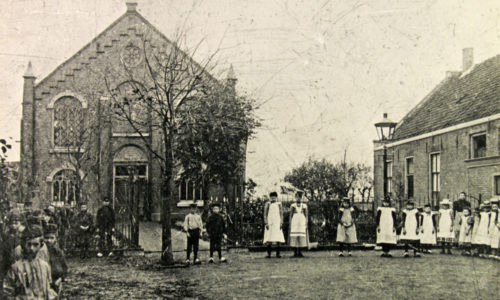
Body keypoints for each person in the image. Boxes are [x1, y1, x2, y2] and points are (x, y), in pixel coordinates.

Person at [3, 225, 57, 299]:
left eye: (35, 245)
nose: (32, 248)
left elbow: (48, 289)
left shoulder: (45, 266)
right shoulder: (16, 268)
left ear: (40, 245)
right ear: (23, 244)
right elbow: (7, 292)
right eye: (29, 244)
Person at [44, 223, 68, 296]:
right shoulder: (41, 252)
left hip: (56, 281)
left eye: (51, 238)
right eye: (46, 238)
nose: (49, 240)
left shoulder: (58, 252)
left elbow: (64, 268)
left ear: (55, 239)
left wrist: (60, 279)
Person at [263, 192, 285, 258]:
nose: (273, 199)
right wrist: (266, 222)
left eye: (274, 197)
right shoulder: (268, 204)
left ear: (276, 197)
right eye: (271, 197)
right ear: (270, 198)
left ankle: (278, 254)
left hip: (277, 222)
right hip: (270, 222)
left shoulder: (279, 204)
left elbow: (281, 214)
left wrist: (281, 222)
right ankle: (268, 254)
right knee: (269, 237)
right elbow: (265, 214)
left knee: (278, 237)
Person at [289, 191, 308, 257]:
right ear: (295, 198)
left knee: (300, 236)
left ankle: (300, 252)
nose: (298, 199)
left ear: (302, 198)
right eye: (297, 197)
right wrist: (290, 222)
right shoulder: (293, 205)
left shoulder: (304, 206)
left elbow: (306, 215)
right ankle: (295, 252)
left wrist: (306, 222)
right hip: (295, 221)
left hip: (301, 221)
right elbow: (290, 215)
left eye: (300, 197)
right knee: (295, 236)